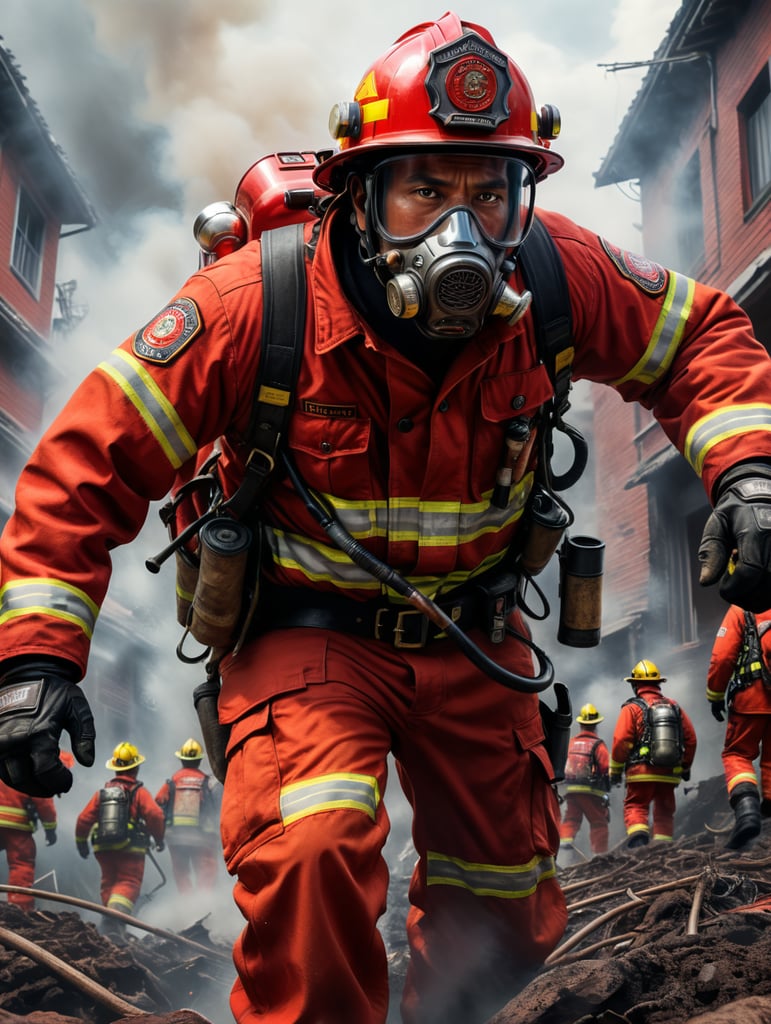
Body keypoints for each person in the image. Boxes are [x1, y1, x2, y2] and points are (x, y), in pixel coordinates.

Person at [0, 11, 769, 1023]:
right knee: (316, 846)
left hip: (479, 635)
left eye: (489, 191)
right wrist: (34, 659)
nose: (464, 228)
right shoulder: (252, 306)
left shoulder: (554, 271)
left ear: (521, 195)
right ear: (360, 194)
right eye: (426, 190)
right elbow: (84, 459)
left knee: (505, 906)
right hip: (303, 635)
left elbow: (698, 338)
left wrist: (749, 475)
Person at [75, 742, 165, 935]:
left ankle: (110, 923)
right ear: (136, 767)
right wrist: (159, 839)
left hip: (103, 848)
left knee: (109, 882)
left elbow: (84, 819)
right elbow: (155, 814)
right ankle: (113, 925)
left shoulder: (102, 793)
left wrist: (81, 842)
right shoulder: (138, 792)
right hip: (129, 849)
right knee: (128, 882)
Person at [610, 661, 697, 848]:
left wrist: (615, 770)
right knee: (665, 811)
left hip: (640, 772)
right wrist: (685, 767)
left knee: (636, 807)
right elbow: (691, 739)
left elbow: (621, 741)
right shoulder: (674, 707)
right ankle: (662, 849)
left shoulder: (631, 708)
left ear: (635, 685)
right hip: (669, 773)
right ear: (658, 683)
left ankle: (640, 845)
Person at [707, 603, 771, 849]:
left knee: (737, 754)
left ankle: (747, 813)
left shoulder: (742, 607)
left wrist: (714, 694)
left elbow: (722, 658)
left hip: (751, 698)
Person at [154, 737, 220, 894]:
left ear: (181, 759)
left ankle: (187, 903)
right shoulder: (206, 782)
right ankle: (203, 904)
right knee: (205, 870)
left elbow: (158, 802)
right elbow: (215, 808)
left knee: (181, 873)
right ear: (199, 760)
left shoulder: (172, 782)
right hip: (201, 837)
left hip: (176, 838)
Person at [559, 703, 610, 858]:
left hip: (571, 790)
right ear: (595, 725)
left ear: (581, 723)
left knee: (571, 818)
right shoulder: (598, 745)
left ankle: (563, 844)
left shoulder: (571, 743)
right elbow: (605, 767)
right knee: (599, 822)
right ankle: (599, 855)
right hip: (591, 791)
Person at [0, 777, 56, 911]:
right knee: (21, 864)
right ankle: (19, 907)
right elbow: (43, 800)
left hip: (16, 826)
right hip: (18, 827)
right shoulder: (28, 766)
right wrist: (50, 829)